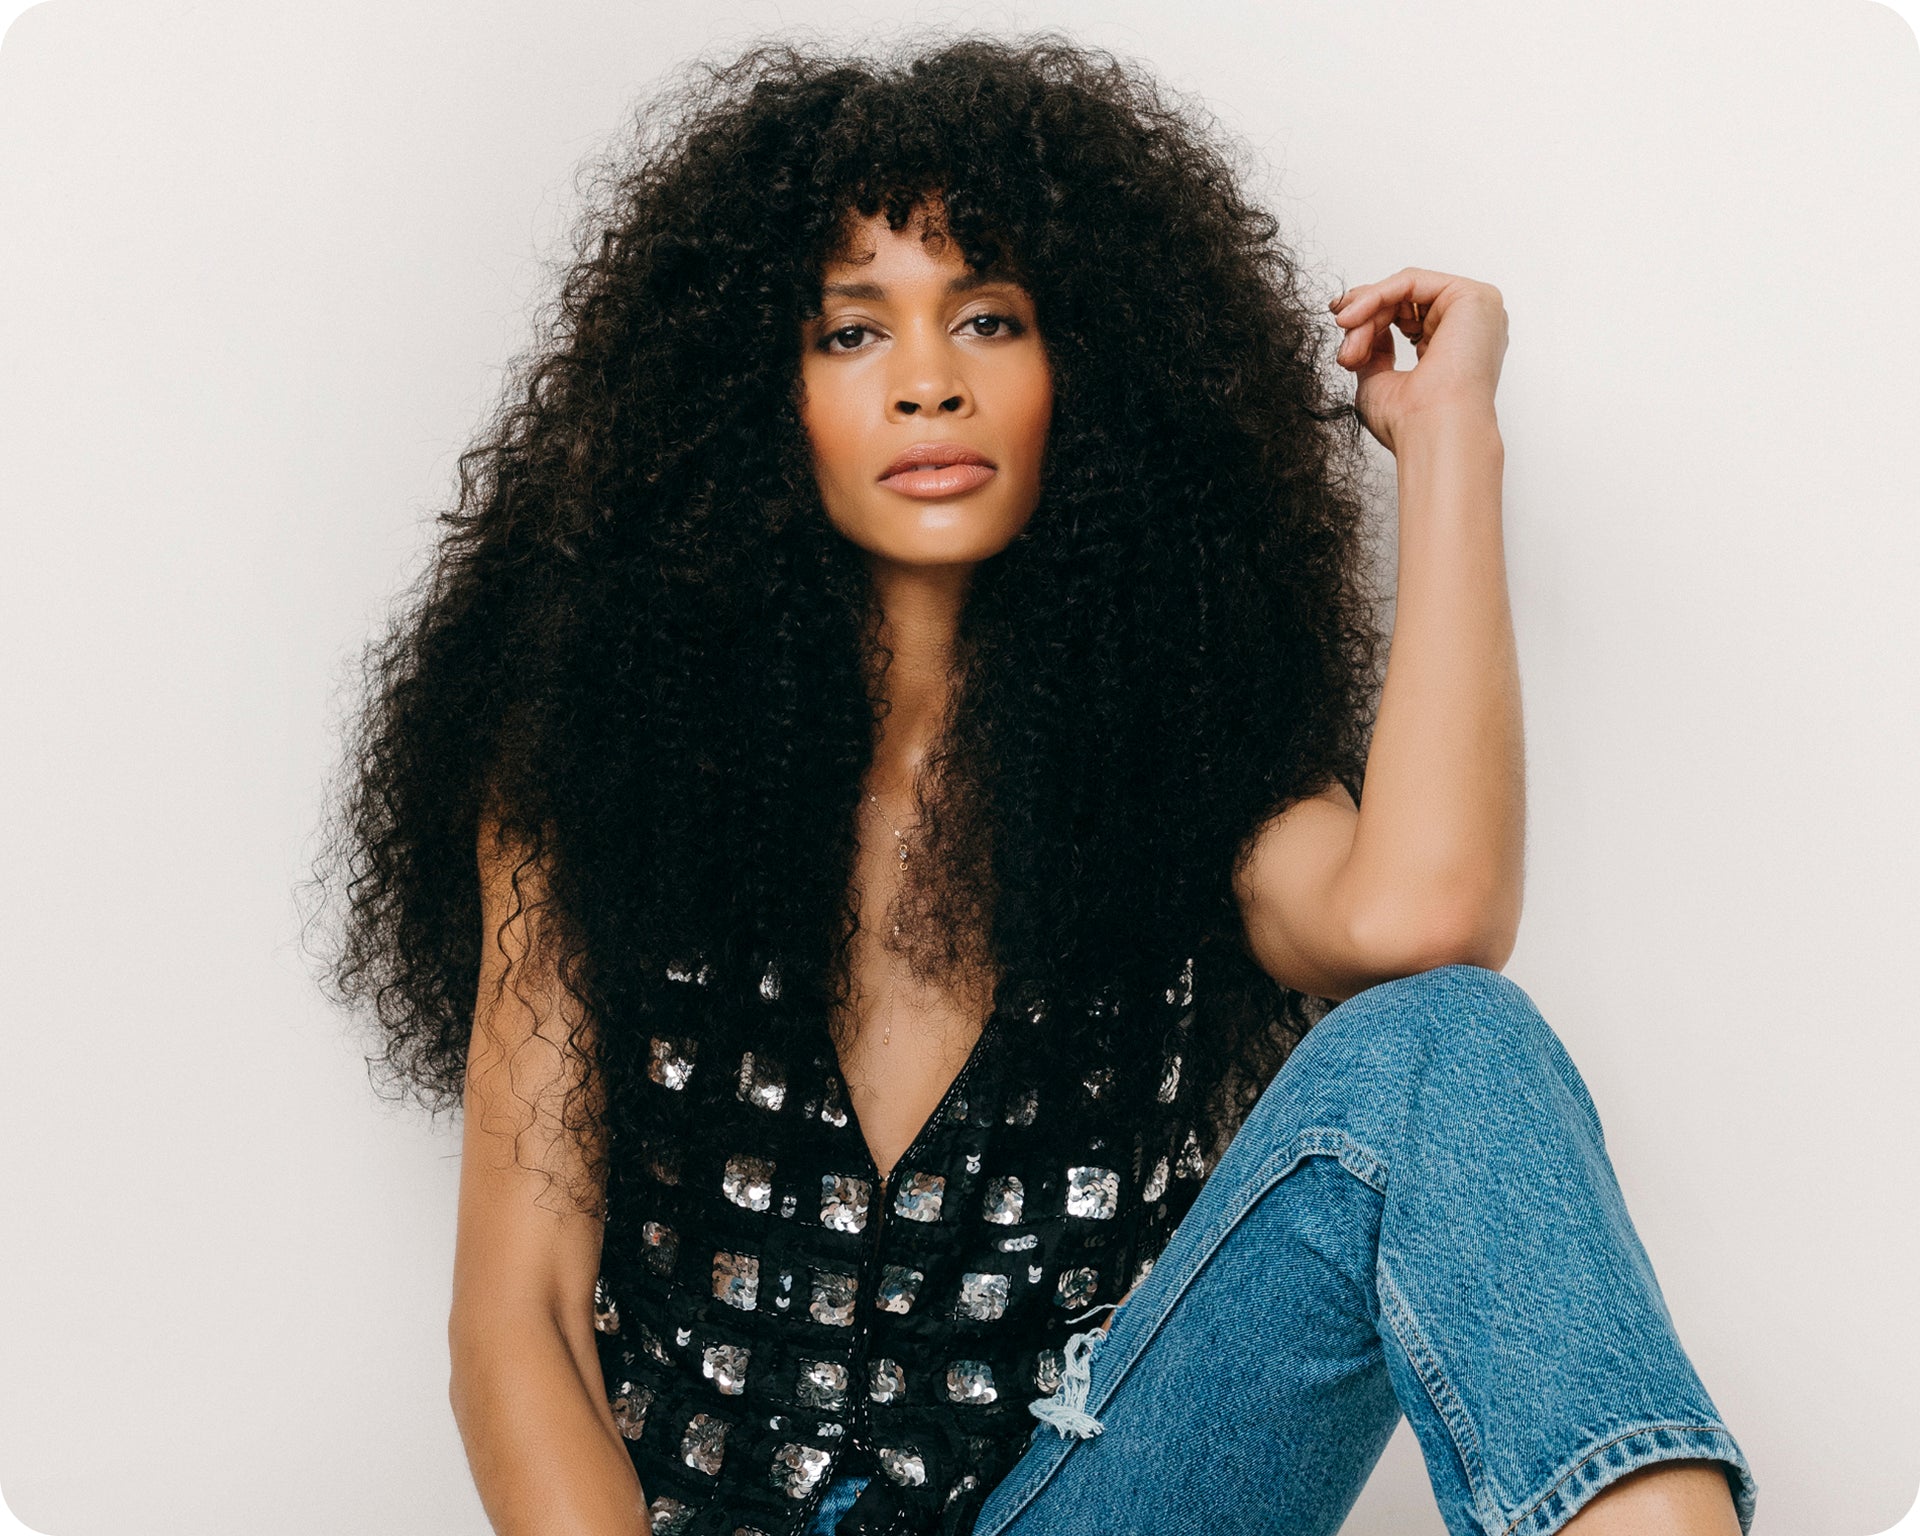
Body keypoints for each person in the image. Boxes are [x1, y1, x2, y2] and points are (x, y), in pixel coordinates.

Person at [311, 33, 1756, 1536]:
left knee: (1450, 1045)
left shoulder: (1181, 761)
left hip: (1078, 1510)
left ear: (1089, 374)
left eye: (988, 320)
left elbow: (1425, 923)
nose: (929, 384)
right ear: (748, 396)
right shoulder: (590, 769)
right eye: (853, 332)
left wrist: (1450, 438)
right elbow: (521, 1324)